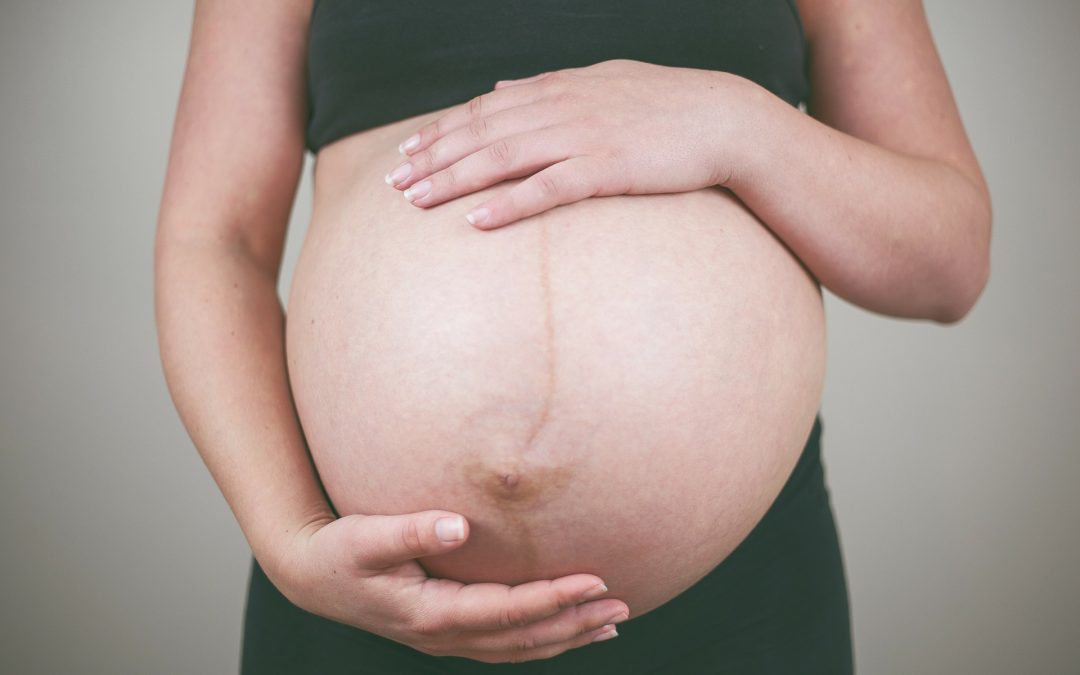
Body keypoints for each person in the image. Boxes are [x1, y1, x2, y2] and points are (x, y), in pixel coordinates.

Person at [154, 0, 991, 673]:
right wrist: (291, 538)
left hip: (733, 601)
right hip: (363, 595)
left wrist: (739, 123)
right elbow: (212, 238)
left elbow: (949, 259)